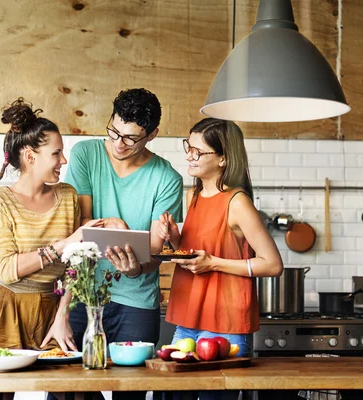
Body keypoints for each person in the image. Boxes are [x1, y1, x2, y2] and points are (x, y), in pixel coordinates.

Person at [0, 98, 103, 400]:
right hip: (4, 306)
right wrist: (63, 244)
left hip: (50, 306)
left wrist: (63, 314)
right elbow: (6, 268)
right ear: (30, 156)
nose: (63, 161)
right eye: (56, 153)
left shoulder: (67, 196)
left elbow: (76, 263)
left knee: (76, 390)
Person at [55, 88, 183, 400]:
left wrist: (137, 267)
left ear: (151, 135)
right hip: (84, 293)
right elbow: (82, 229)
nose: (118, 144)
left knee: (131, 391)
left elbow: (155, 253)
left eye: (130, 138)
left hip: (136, 302)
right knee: (66, 389)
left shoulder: (167, 178)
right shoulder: (86, 155)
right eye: (114, 131)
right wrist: (61, 313)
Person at [157, 118, 283, 400]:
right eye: (188, 147)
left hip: (226, 325)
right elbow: (196, 253)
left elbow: (272, 264)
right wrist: (174, 236)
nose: (189, 155)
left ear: (224, 158)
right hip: (188, 319)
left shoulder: (238, 202)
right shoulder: (193, 195)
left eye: (198, 151)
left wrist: (214, 263)